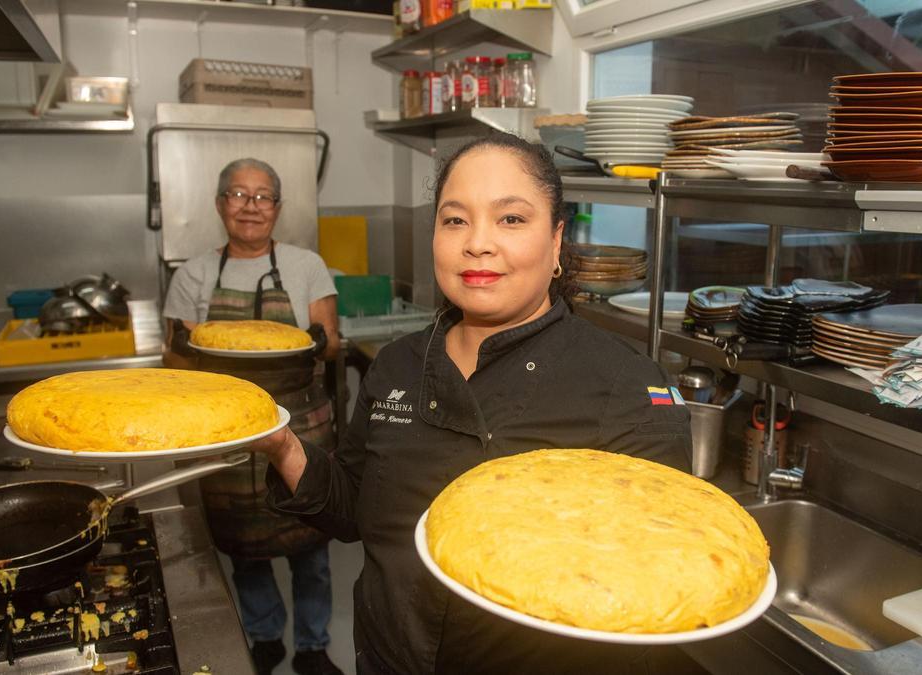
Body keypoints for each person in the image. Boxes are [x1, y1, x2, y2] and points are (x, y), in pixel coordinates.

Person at [251, 134, 696, 674]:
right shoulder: (396, 365)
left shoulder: (627, 389)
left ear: (557, 241)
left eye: (511, 219)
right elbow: (354, 510)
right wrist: (283, 448)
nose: (477, 243)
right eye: (455, 220)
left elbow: (654, 584)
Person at [163, 157, 344, 675]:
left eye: (263, 196)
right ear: (221, 204)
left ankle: (313, 646)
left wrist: (300, 343)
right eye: (239, 195)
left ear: (278, 208)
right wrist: (205, 347)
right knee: (244, 546)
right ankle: (264, 637)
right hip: (225, 426)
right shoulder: (195, 273)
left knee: (312, 540)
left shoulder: (305, 265)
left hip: (300, 423)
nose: (251, 207)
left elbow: (329, 344)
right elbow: (174, 360)